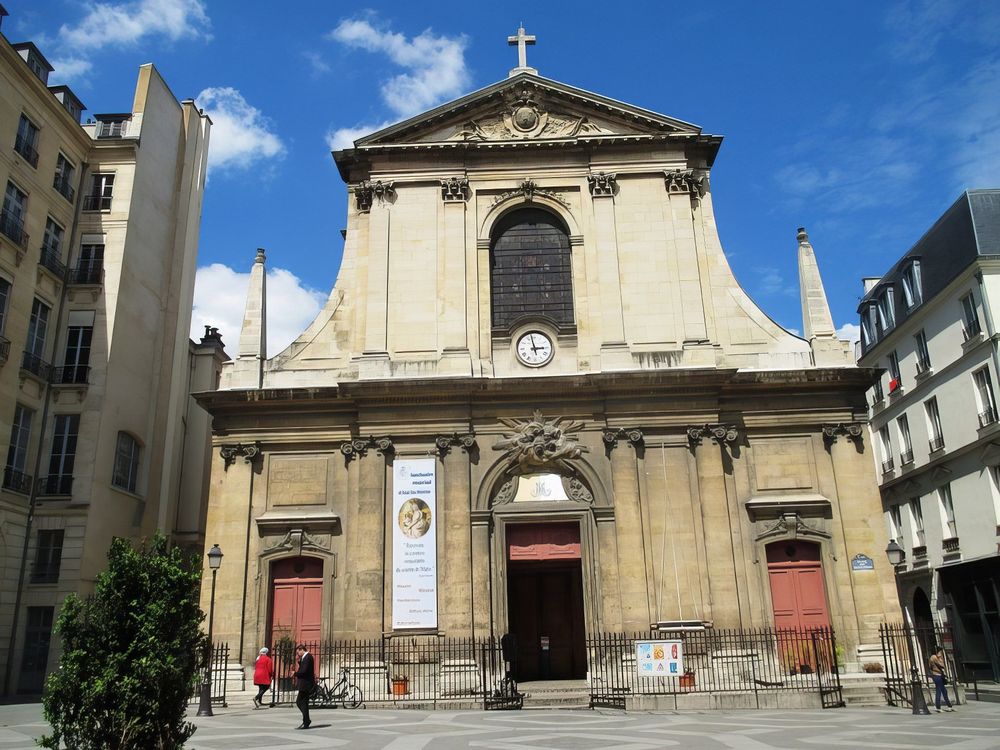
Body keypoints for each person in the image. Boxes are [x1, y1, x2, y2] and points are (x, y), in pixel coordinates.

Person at [293, 644, 315, 729]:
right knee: (303, 702)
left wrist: (295, 673)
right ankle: (306, 720)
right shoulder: (305, 658)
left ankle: (307, 720)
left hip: (306, 684)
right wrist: (299, 661)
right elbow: (303, 669)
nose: (298, 654)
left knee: (299, 702)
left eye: (298, 652)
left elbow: (304, 671)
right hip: (304, 684)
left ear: (301, 649)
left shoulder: (308, 657)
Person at [928, 645, 955, 712]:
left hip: (938, 675)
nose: (941, 653)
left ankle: (949, 706)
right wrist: (940, 657)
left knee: (944, 691)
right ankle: (938, 707)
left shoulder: (932, 657)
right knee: (939, 691)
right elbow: (942, 665)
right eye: (940, 651)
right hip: (937, 675)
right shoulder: (934, 657)